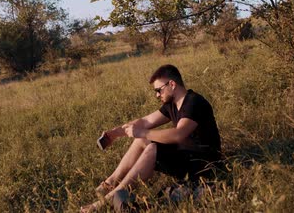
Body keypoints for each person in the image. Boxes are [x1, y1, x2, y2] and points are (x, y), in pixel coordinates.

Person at [81, 64, 222, 212]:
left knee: (152, 147)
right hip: (185, 157)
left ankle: (111, 198)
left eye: (158, 90)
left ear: (172, 84)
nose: (157, 95)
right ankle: (110, 183)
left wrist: (143, 132)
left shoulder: (194, 102)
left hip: (203, 165)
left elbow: (179, 134)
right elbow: (145, 121)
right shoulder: (172, 104)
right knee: (141, 140)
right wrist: (116, 133)